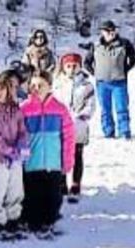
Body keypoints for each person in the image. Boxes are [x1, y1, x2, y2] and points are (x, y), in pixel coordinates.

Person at [20, 71, 75, 238]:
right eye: (33, 85)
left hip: (53, 162)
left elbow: (68, 136)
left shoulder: (59, 109)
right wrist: (22, 159)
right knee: (33, 194)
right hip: (32, 162)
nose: (36, 89)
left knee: (53, 194)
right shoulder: (24, 108)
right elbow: (20, 135)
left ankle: (50, 220)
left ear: (49, 86)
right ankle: (33, 222)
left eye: (40, 85)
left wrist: (67, 160)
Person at [0, 71, 29, 241]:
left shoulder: (15, 110)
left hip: (16, 157)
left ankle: (13, 218)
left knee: (15, 188)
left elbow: (22, 130)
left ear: (8, 90)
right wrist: (9, 151)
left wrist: (21, 145)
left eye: (1, 89)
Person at [54, 51, 96, 202]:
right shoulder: (57, 83)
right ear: (63, 67)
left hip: (78, 124)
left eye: (74, 66)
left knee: (77, 155)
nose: (71, 69)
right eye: (68, 66)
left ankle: (76, 183)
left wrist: (83, 116)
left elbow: (91, 104)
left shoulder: (87, 85)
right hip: (61, 124)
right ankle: (62, 182)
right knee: (61, 155)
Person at [85, 20, 135, 139]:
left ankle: (124, 131)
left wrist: (125, 69)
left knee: (122, 107)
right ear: (102, 32)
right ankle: (108, 132)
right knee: (105, 109)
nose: (111, 33)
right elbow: (87, 62)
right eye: (108, 30)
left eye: (113, 30)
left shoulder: (124, 43)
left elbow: (133, 57)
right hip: (102, 83)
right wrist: (94, 73)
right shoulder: (95, 45)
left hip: (119, 82)